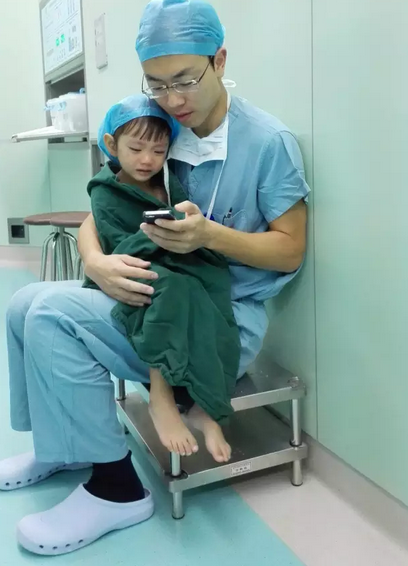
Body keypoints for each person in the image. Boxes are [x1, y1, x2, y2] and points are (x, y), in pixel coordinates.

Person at [0, 0, 309, 557]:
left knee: (50, 315)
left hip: (217, 322)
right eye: (156, 83)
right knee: (22, 302)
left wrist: (210, 236)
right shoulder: (162, 127)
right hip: (153, 296)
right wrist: (94, 260)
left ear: (219, 60)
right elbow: (103, 207)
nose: (171, 100)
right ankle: (61, 446)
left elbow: (291, 251)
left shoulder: (267, 143)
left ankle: (117, 490)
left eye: (185, 81)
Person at [88, 93, 240, 462]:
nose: (147, 160)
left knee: (213, 286)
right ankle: (161, 393)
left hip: (176, 259)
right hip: (133, 269)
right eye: (136, 148)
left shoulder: (167, 180)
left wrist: (182, 221)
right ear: (111, 144)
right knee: (172, 288)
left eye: (158, 151)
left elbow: (186, 228)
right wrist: (156, 228)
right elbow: (118, 246)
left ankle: (207, 406)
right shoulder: (105, 191)